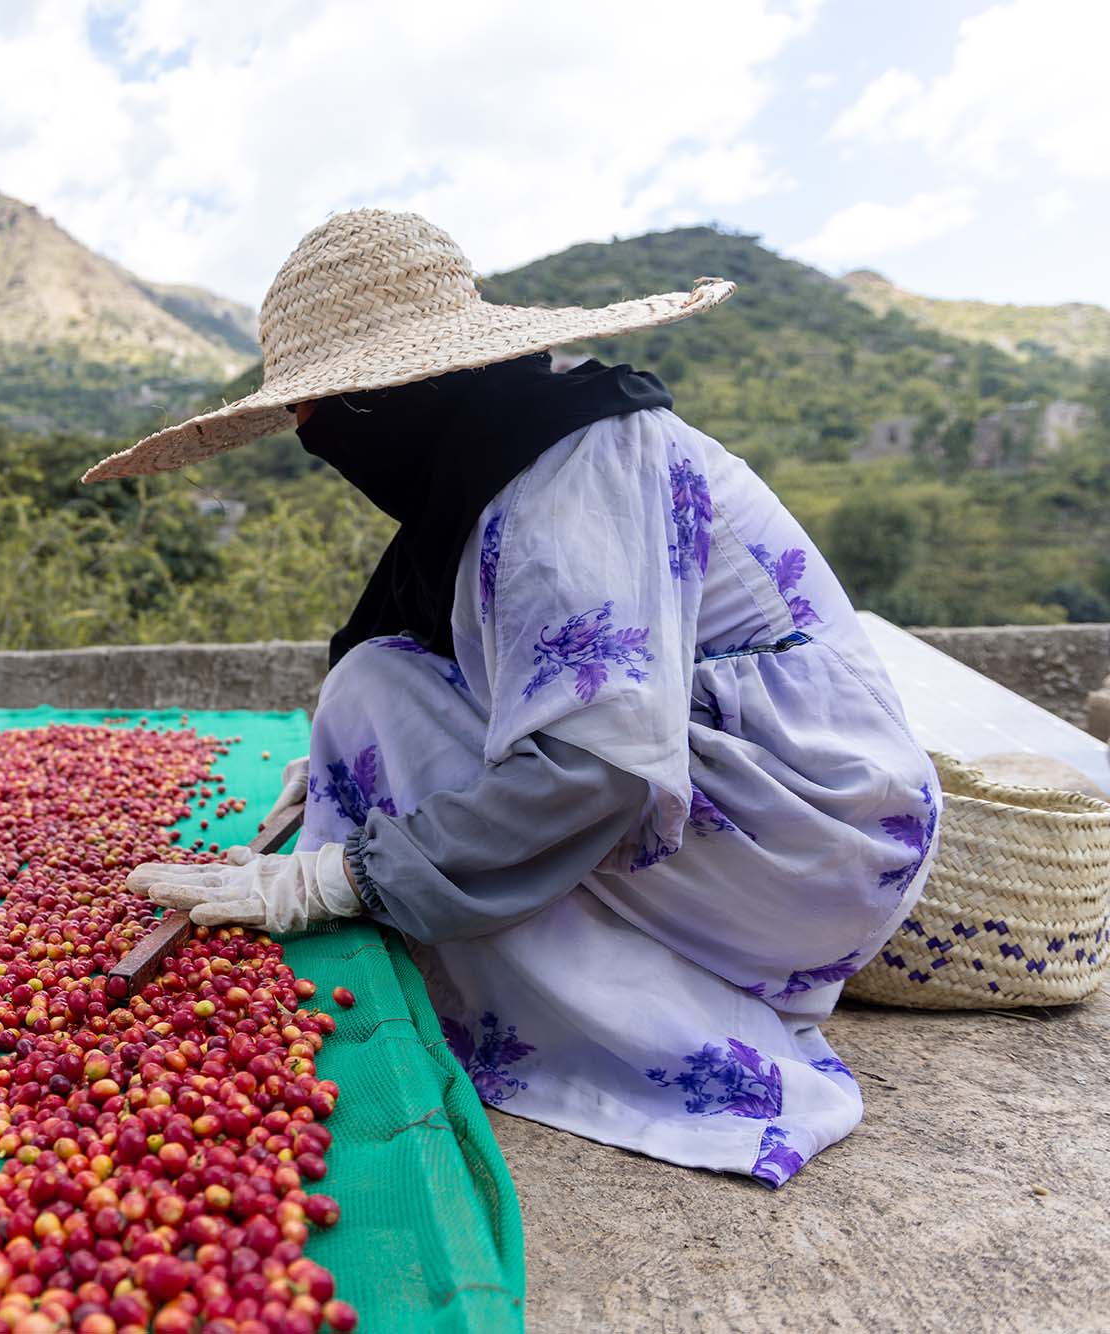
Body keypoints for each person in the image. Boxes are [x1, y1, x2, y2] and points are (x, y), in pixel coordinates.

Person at [86, 209, 938, 1188]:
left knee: (379, 699)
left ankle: (643, 1014)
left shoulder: (572, 478)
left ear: (390, 394)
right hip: (800, 824)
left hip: (806, 842)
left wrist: (337, 877)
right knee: (374, 690)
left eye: (324, 411)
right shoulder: (510, 451)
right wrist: (337, 771)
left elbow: (603, 767)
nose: (314, 438)